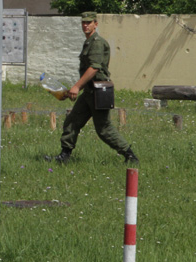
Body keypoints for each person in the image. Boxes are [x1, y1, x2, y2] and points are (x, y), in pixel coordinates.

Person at [47, 12, 139, 165]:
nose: (85, 25)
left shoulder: (97, 42)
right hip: (89, 91)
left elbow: (94, 68)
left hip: (99, 92)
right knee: (72, 121)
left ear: (96, 24)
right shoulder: (89, 42)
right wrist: (74, 89)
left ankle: (130, 156)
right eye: (83, 22)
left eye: (89, 22)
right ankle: (64, 156)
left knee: (103, 129)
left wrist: (76, 86)